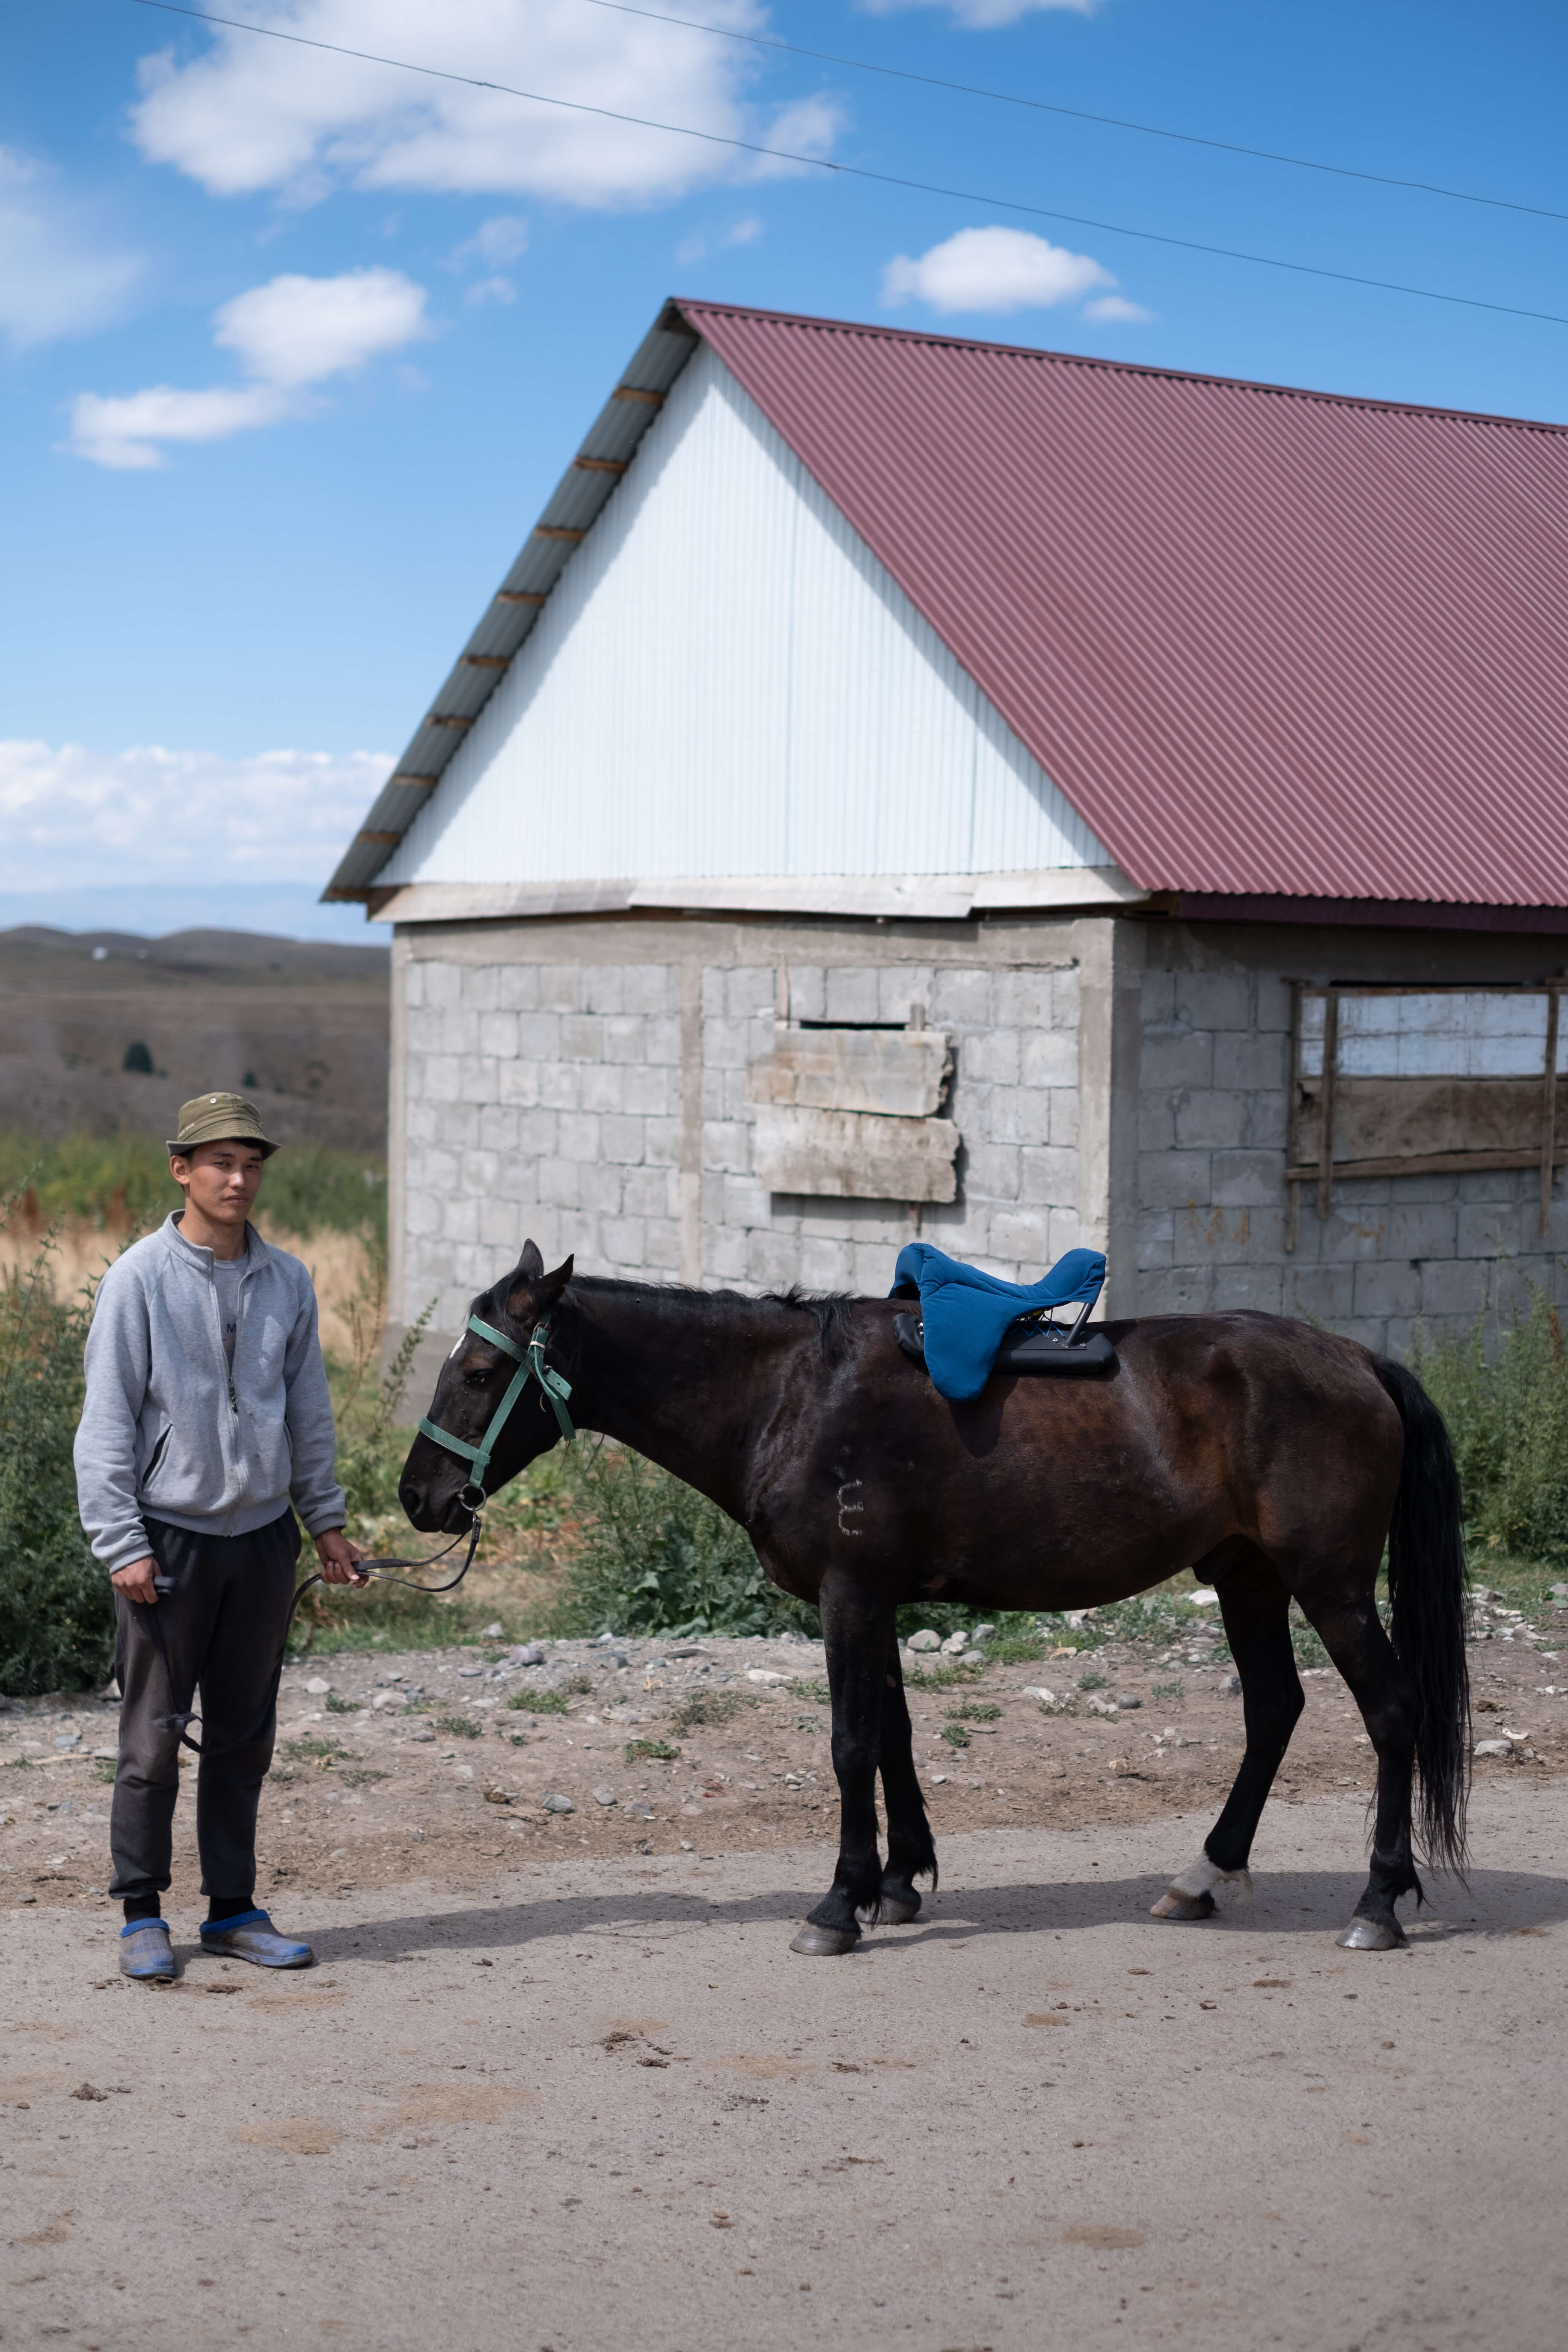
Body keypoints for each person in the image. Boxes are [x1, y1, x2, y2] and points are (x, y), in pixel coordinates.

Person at [74, 1092, 366, 1981]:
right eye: (220, 1164)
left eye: (251, 1165)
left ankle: (233, 1911)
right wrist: (121, 1541)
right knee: (153, 1738)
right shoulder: (138, 1279)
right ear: (183, 1171)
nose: (238, 1180)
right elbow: (106, 1423)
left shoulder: (288, 1281)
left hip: (263, 1541)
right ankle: (142, 1915)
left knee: (244, 1737)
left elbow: (308, 1413)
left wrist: (325, 1522)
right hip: (168, 1542)